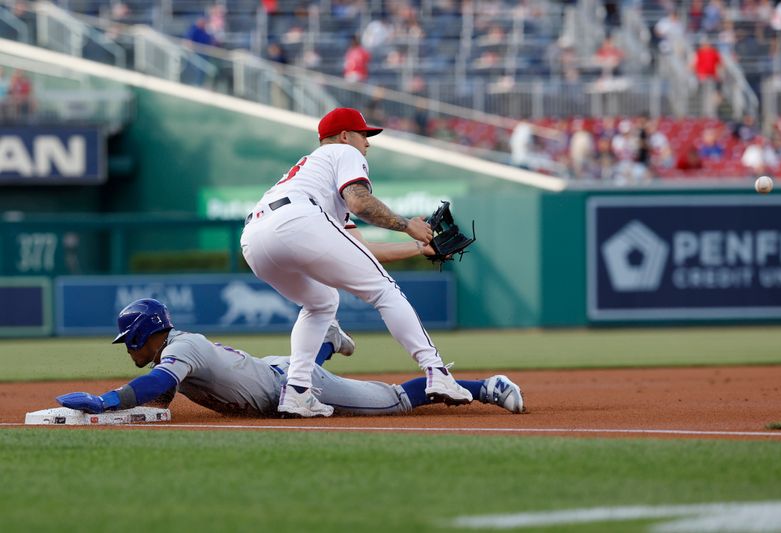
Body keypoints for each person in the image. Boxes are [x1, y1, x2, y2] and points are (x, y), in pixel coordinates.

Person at [239, 107, 474, 418]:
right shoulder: (342, 152)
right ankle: (437, 372)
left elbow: (357, 249)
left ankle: (296, 392)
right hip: (297, 220)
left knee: (322, 302)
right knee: (384, 290)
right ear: (345, 136)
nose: (368, 143)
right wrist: (407, 224)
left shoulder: (312, 174)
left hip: (254, 239)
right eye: (365, 135)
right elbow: (360, 202)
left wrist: (418, 247)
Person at [55, 299, 524, 417]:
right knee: (305, 365)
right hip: (278, 371)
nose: (128, 349)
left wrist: (109, 402)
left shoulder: (179, 349)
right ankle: (326, 339)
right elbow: (164, 391)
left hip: (296, 387)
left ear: (142, 335)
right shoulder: (181, 347)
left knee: (396, 400)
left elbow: (159, 386)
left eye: (128, 341)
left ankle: (487, 387)